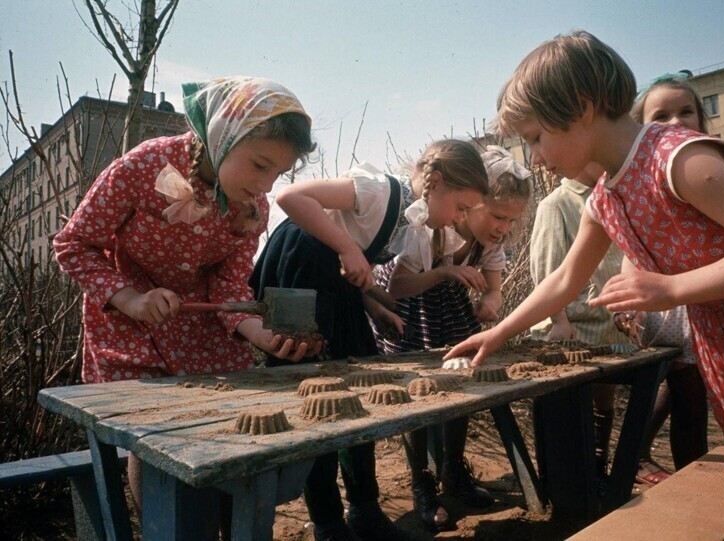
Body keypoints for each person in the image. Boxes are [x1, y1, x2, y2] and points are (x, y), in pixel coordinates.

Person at [445, 31, 724, 538]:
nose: (536, 156)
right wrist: (498, 332)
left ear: (583, 108)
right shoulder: (606, 196)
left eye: (537, 137)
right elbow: (566, 279)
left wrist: (670, 290)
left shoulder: (674, 157)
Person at [53, 77, 321, 524]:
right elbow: (73, 244)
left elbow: (230, 289)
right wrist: (131, 299)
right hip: (129, 318)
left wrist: (262, 334)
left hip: (201, 326)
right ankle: (169, 526)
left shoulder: (251, 209)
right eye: (259, 165)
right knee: (157, 436)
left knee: (220, 428)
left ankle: (215, 520)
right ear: (222, 136)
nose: (266, 185)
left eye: (278, 174)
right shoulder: (144, 166)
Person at [250, 138, 489, 541]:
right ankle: (326, 521)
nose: (457, 218)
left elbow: (354, 268)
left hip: (337, 291)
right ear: (435, 181)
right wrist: (346, 249)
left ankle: (364, 508)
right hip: (301, 272)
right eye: (461, 207)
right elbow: (291, 197)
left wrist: (375, 307)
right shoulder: (379, 190)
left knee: (359, 394)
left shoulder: (412, 227)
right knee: (315, 400)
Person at [371, 145, 529, 531]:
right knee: (417, 395)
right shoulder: (426, 228)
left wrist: (490, 304)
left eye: (511, 220)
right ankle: (422, 481)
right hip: (411, 312)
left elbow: (495, 290)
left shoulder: (489, 244)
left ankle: (453, 471)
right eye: (496, 216)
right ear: (472, 201)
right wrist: (444, 274)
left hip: (454, 314)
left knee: (463, 386)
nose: (502, 228)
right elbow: (396, 288)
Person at [620, 73, 711, 484]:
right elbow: (631, 247)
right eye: (662, 115)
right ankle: (689, 479)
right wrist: (631, 301)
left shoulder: (708, 167)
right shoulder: (648, 179)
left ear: (702, 121)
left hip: (711, 298)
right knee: (688, 396)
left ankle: (635, 455)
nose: (675, 122)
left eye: (685, 111)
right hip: (672, 306)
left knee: (680, 391)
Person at [528, 162, 629, 481]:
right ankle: (569, 479)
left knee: (604, 402)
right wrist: (558, 318)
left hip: (608, 325)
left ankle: (597, 468)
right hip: (572, 329)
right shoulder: (557, 203)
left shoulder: (612, 195)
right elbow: (547, 269)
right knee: (571, 412)